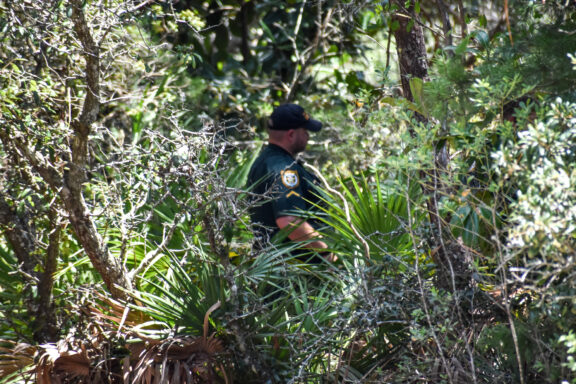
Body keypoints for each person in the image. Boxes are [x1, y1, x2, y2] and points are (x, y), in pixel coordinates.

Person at [247, 103, 335, 263]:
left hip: (276, 268)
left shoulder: (265, 161)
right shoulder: (283, 167)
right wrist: (326, 253)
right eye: (305, 131)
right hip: (295, 274)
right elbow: (290, 221)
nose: (308, 136)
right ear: (291, 134)